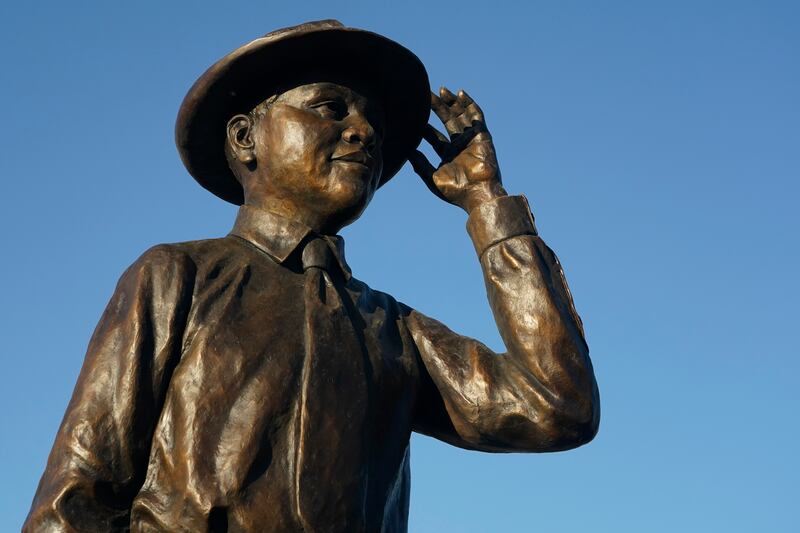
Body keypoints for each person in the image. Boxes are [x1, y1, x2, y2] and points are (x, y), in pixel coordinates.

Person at [24, 20, 600, 533]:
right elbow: (76, 500)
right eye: (330, 109)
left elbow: (557, 406)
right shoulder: (177, 277)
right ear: (246, 138)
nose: (364, 132)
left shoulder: (392, 329)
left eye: (372, 120)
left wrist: (486, 203)